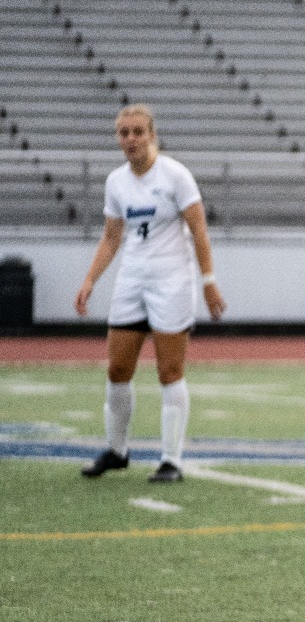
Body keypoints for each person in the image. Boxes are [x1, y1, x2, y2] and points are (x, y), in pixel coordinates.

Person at [71, 106, 226, 485]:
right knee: (117, 369)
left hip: (171, 283)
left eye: (138, 132)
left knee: (169, 371)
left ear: (152, 135)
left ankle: (171, 460)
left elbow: (199, 230)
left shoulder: (175, 175)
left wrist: (208, 281)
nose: (131, 139)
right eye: (124, 133)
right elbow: (111, 237)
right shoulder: (116, 181)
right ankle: (117, 450)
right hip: (132, 281)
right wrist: (90, 279)